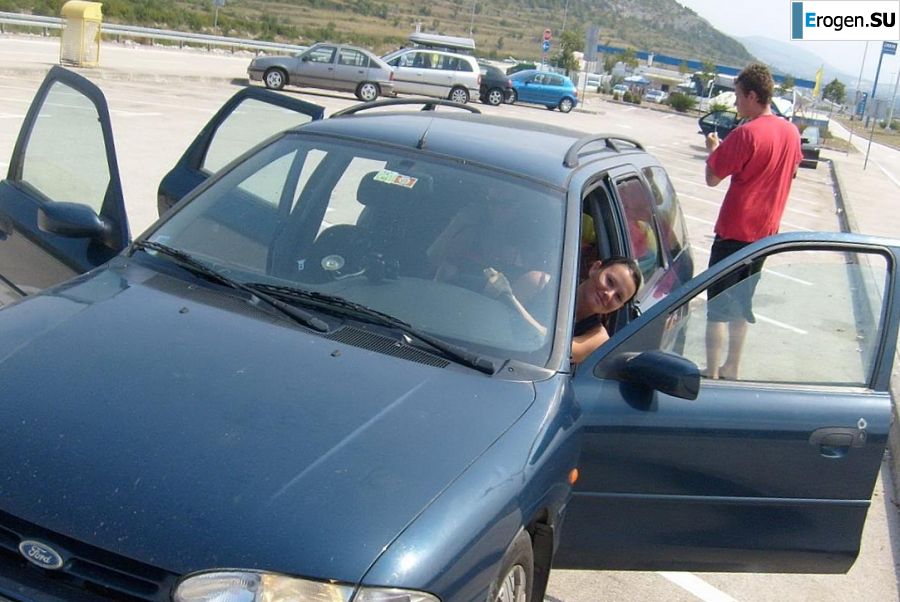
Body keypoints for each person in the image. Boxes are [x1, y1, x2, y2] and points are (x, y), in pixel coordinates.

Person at [703, 63, 802, 380]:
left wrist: (713, 150)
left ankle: (713, 369)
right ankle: (732, 366)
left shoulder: (746, 133)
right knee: (743, 304)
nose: (735, 103)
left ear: (751, 95)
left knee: (717, 305)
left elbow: (712, 178)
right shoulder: (791, 132)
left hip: (734, 232)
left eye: (737, 96)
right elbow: (793, 172)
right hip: (764, 237)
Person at [571, 257, 642, 364]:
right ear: (595, 268)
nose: (609, 295)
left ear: (619, 307)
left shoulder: (598, 338)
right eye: (610, 281)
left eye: (618, 297)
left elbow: (555, 350)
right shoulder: (543, 282)